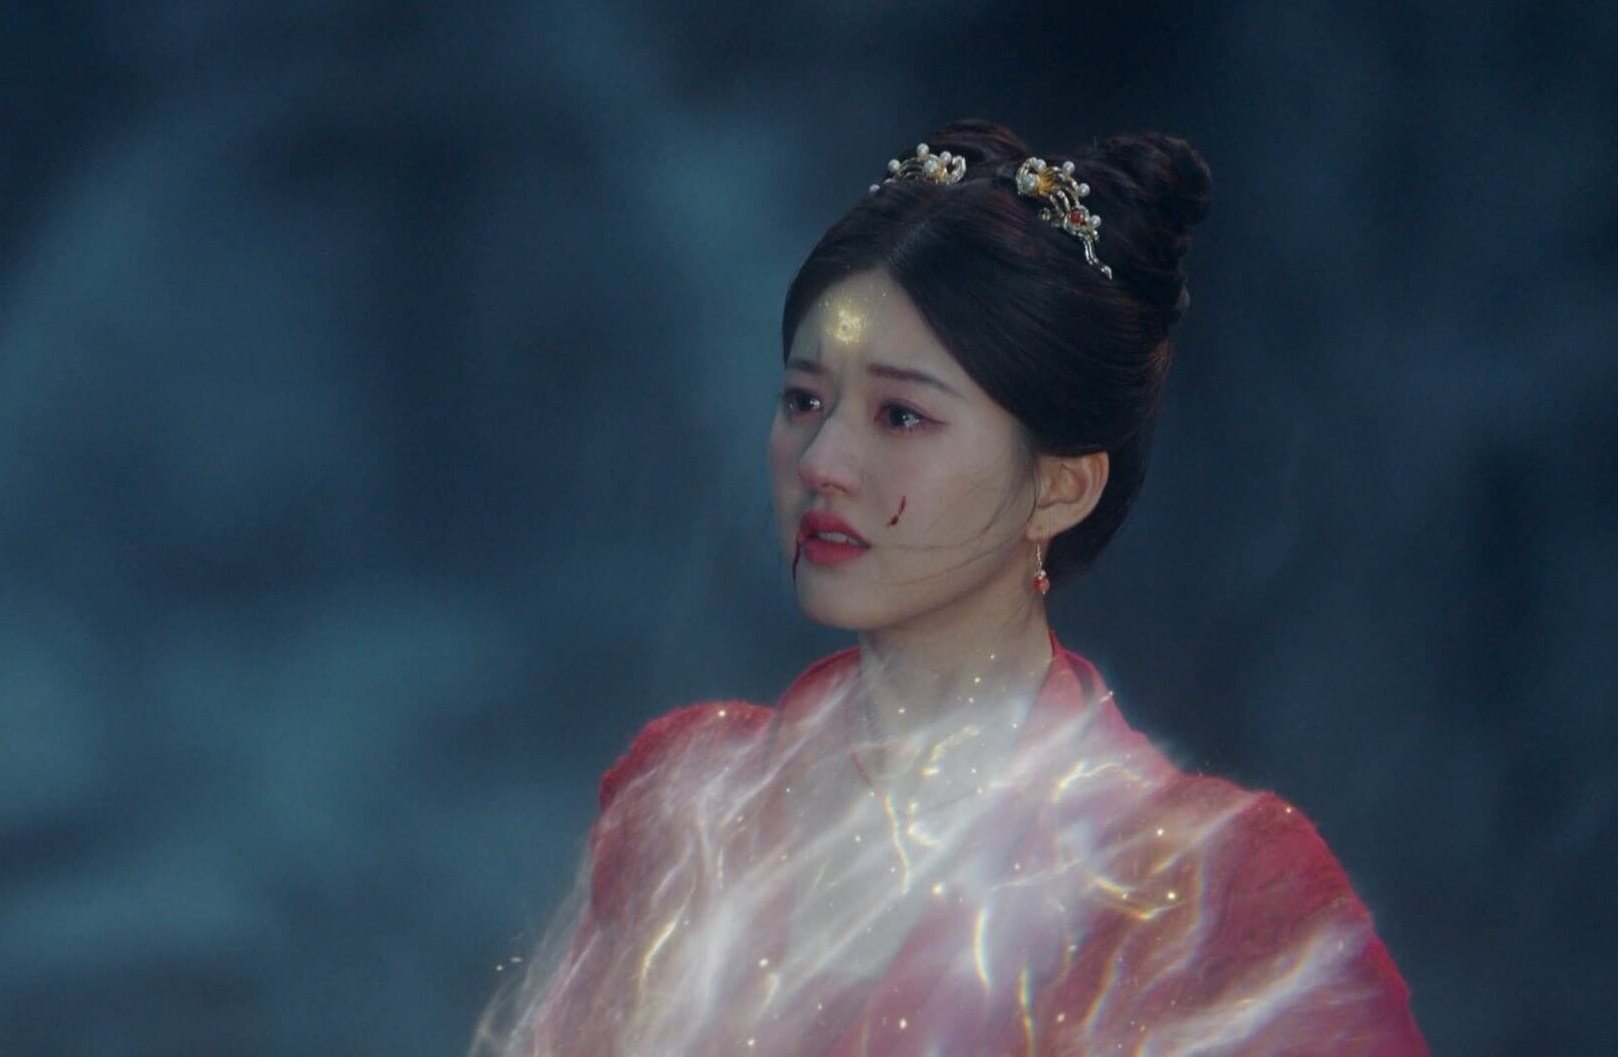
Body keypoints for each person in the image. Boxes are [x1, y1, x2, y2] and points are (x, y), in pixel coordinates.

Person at [475, 119, 1427, 1055]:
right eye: (804, 400)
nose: (823, 461)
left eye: (900, 415)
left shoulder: (1222, 885)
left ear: (1060, 487)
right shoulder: (688, 798)